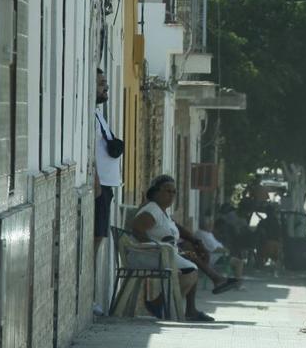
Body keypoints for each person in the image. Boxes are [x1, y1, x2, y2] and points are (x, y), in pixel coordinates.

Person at [129, 175, 233, 322]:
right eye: (167, 191)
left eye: (174, 192)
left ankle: (184, 307)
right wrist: (158, 247)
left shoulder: (162, 211)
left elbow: (177, 228)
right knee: (191, 268)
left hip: (164, 253)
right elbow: (137, 231)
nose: (171, 195)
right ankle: (162, 304)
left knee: (191, 257)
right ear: (155, 192)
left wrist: (196, 240)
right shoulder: (151, 210)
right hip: (146, 255)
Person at [93, 69, 122, 315]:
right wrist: (94, 179)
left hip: (107, 186)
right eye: (101, 84)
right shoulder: (90, 116)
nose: (106, 88)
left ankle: (92, 295)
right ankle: (91, 298)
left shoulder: (98, 115)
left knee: (99, 239)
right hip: (98, 186)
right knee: (96, 240)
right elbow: (89, 148)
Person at [197, 218, 244, 282]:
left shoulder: (207, 233)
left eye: (212, 224)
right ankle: (238, 284)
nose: (212, 226)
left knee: (235, 259)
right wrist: (225, 250)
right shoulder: (203, 235)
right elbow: (214, 249)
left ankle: (232, 280)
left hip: (219, 256)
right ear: (204, 225)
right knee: (239, 262)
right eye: (209, 224)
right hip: (214, 257)